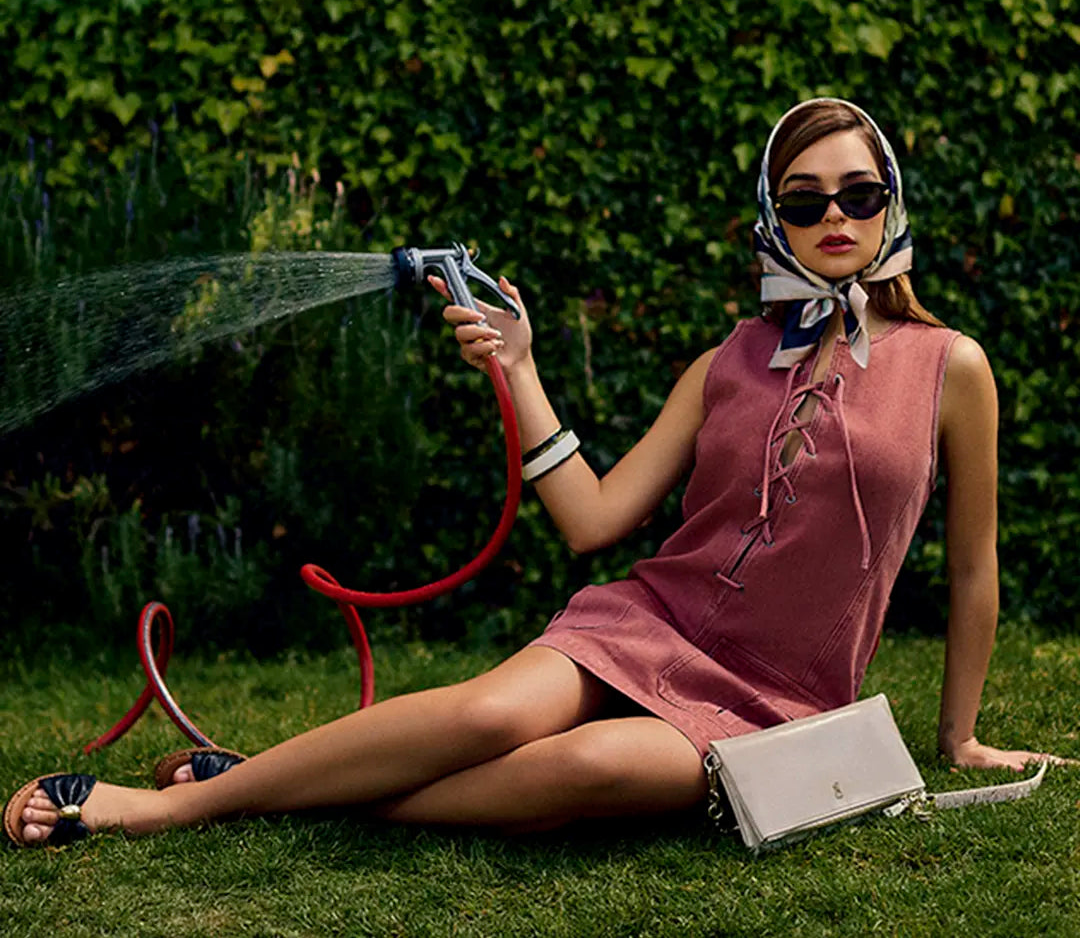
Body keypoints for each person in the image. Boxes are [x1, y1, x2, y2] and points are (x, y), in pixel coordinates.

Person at [5, 97, 1064, 848]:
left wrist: (958, 737)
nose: (836, 217)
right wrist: (518, 368)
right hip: (646, 622)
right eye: (804, 201)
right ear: (769, 218)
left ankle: (266, 786)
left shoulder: (951, 368)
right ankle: (175, 807)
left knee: (590, 773)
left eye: (860, 193)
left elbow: (975, 571)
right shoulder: (727, 361)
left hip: (783, 704)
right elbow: (594, 521)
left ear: (891, 204)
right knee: (487, 718)